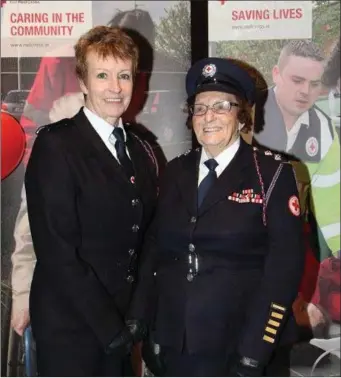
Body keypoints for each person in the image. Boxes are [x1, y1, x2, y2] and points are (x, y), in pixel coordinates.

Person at [128, 57, 305, 376]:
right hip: (178, 346)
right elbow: (156, 251)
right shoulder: (175, 171)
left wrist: (254, 352)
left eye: (222, 106)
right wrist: (148, 324)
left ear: (241, 116)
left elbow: (283, 272)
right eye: (199, 108)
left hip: (241, 347)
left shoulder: (273, 176)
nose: (208, 116)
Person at [24, 25, 159, 376]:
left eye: (124, 76)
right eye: (102, 75)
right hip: (72, 327)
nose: (115, 88)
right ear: (83, 82)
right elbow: (57, 252)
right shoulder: (57, 146)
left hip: (123, 326)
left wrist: (137, 315)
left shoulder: (142, 150)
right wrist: (109, 326)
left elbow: (148, 240)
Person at [253, 40, 340, 336]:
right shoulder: (247, 117)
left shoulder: (323, 128)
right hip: (242, 242)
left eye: (314, 83)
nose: (306, 91)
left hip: (291, 239)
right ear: (276, 74)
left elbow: (332, 201)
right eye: (297, 80)